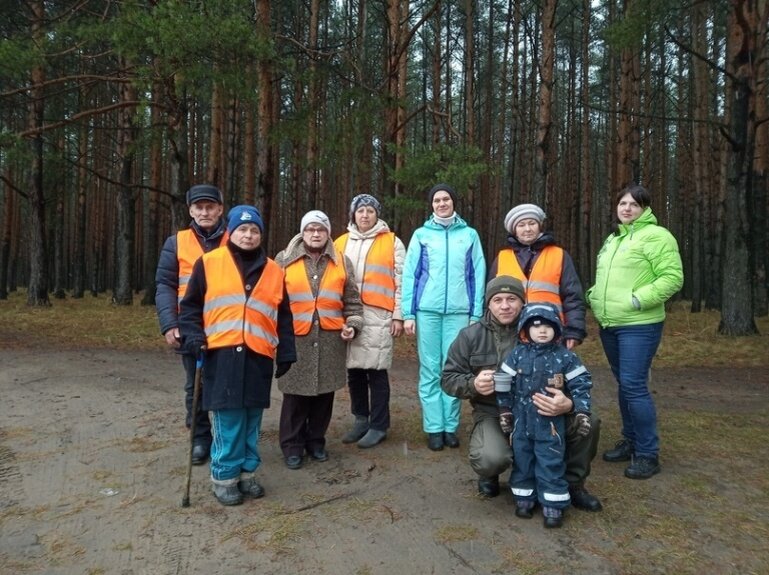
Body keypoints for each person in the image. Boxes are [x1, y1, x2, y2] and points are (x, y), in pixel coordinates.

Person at [441, 275, 602, 512]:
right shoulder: (470, 336)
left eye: (511, 299)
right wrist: (473, 384)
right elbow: (447, 379)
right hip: (495, 412)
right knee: (490, 457)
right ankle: (492, 474)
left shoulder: (543, 328)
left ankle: (572, 484)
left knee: (590, 422)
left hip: (545, 412)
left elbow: (573, 375)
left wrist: (568, 403)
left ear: (522, 302)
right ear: (489, 304)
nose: (505, 305)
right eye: (497, 300)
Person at [178, 205, 297, 506]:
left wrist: (286, 352)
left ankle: (247, 473)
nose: (248, 234)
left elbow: (283, 316)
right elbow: (190, 307)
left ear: (261, 234)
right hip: (221, 355)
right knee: (229, 420)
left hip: (258, 357)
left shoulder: (274, 270)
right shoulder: (209, 263)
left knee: (252, 420)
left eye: (254, 230)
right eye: (242, 229)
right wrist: (193, 336)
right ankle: (224, 477)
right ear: (231, 231)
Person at [587, 183, 683, 480]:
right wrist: (593, 296)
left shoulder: (657, 237)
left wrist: (638, 299)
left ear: (645, 209)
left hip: (638, 326)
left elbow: (672, 277)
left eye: (634, 204)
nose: (626, 209)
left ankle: (647, 454)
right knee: (624, 383)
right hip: (610, 324)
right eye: (622, 204)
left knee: (633, 385)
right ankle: (630, 441)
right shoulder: (614, 239)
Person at [275, 210, 363, 469]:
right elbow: (273, 301)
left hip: (330, 340)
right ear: (302, 232)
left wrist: (353, 326)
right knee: (294, 397)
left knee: (324, 396)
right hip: (295, 342)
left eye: (321, 229)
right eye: (311, 229)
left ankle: (316, 441)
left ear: (328, 233)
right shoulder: (283, 260)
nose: (316, 234)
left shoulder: (342, 262)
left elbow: (353, 303)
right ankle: (292, 446)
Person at [401, 184, 486, 451]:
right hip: (427, 311)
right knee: (430, 369)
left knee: (455, 369)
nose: (441, 203)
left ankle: (450, 427)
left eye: (445, 199)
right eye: (436, 200)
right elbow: (410, 275)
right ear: (431, 205)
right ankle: (434, 427)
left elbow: (477, 274)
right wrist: (408, 313)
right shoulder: (422, 235)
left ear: (453, 202)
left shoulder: (469, 235)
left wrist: (476, 313)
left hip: (459, 312)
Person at [497, 302, 593, 528]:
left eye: (548, 326)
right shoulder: (517, 355)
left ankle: (553, 502)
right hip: (522, 420)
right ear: (525, 329)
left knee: (550, 459)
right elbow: (503, 383)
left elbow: (582, 383)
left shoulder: (565, 357)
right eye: (536, 326)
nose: (542, 331)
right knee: (523, 459)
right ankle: (524, 497)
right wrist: (505, 410)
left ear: (557, 329)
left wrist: (580, 410)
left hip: (550, 423)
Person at [155, 184, 228, 465]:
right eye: (199, 207)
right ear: (191, 211)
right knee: (194, 384)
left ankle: (224, 436)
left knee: (223, 384)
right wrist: (169, 323)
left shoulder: (236, 238)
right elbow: (165, 284)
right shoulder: (176, 242)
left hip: (226, 326)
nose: (205, 212)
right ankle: (199, 437)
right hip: (189, 326)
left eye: (210, 206)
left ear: (220, 209)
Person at [334, 194, 406, 448]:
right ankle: (360, 419)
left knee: (376, 371)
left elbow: (401, 281)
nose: (365, 215)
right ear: (353, 214)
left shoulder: (392, 242)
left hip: (380, 315)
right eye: (360, 211)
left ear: (377, 215)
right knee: (354, 370)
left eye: (370, 211)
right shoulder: (340, 242)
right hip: (350, 314)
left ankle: (379, 425)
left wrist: (399, 315)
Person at [488, 203, 586, 349]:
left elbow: (573, 297)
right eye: (521, 225)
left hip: (550, 331)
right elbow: (490, 299)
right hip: (510, 333)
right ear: (514, 230)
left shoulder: (559, 255)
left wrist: (574, 330)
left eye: (532, 223)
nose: (527, 229)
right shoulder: (502, 258)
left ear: (539, 225)